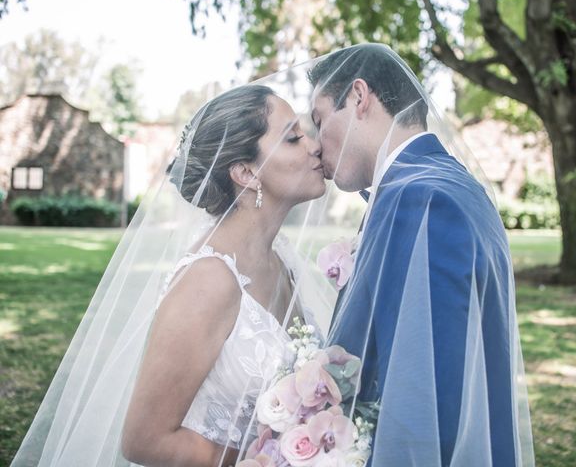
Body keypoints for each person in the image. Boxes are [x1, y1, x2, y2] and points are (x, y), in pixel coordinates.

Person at [10, 85, 329, 466]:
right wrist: (274, 456)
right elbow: (144, 441)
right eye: (293, 138)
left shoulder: (284, 260)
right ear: (246, 172)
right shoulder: (209, 281)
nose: (315, 146)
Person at [308, 43, 535, 466]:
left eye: (320, 120)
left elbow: (427, 386)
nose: (317, 144)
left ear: (359, 96)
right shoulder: (446, 184)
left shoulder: (422, 198)